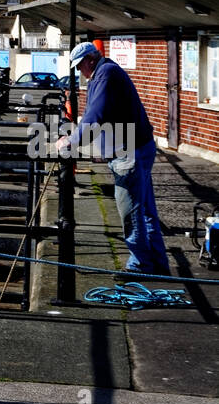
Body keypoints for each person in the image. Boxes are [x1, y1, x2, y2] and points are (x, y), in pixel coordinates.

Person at [59, 41, 170, 276]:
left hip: (129, 153)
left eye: (80, 66)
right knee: (145, 208)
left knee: (130, 210)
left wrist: (70, 142)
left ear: (90, 59)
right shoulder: (107, 71)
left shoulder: (104, 75)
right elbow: (98, 115)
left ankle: (140, 265)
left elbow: (94, 116)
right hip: (138, 147)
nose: (80, 71)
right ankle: (159, 264)